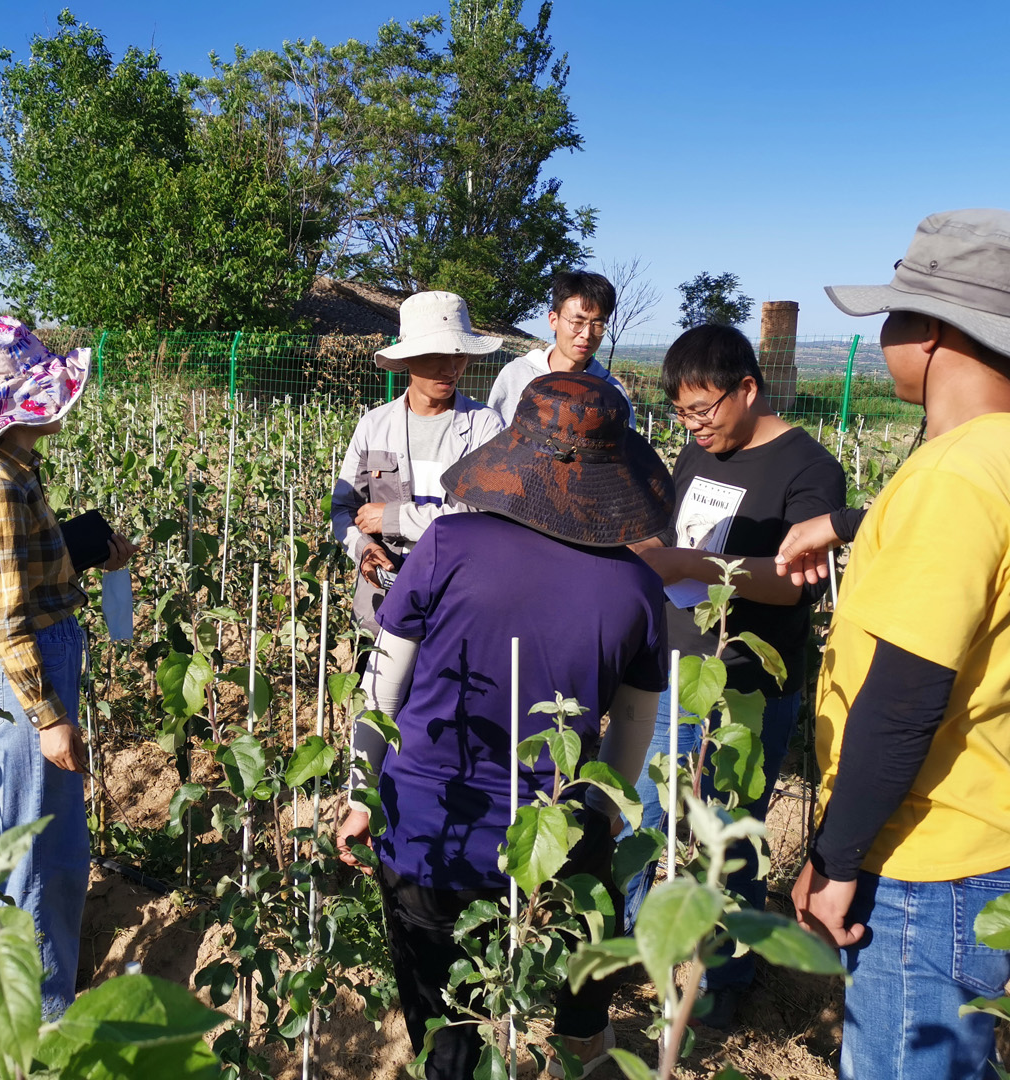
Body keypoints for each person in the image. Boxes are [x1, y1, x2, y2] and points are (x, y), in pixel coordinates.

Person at [783, 209, 1010, 1079]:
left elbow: (903, 699)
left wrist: (834, 859)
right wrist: (847, 522)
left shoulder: (957, 477)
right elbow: (981, 549)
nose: (886, 336)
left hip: (927, 863)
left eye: (893, 315)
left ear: (930, 331)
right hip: (992, 843)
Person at [334, 373, 673, 1080]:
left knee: (446, 1028)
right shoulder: (636, 586)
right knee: (579, 984)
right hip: (556, 835)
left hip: (430, 825)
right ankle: (581, 1049)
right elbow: (634, 723)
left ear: (515, 458)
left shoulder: (446, 544)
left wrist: (362, 791)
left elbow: (382, 688)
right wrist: (604, 815)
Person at [621, 323, 846, 1025]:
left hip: (748, 683)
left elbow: (792, 581)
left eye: (702, 409)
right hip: (676, 667)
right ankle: (631, 945)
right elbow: (673, 529)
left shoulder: (808, 470)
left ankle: (723, 977)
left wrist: (687, 565)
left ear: (747, 388)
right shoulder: (699, 450)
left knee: (731, 831)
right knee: (644, 811)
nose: (692, 426)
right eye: (681, 414)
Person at [0, 317, 135, 1019]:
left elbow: (19, 575)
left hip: (34, 662)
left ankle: (16, 1000)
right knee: (34, 853)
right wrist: (48, 716)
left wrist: (82, 554)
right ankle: (38, 1023)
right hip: (27, 671)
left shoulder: (13, 471)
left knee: (39, 840)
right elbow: (7, 614)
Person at [331, 291, 504, 642]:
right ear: (409, 357)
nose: (450, 369)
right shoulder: (374, 426)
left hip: (457, 596)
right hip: (383, 596)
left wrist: (393, 519)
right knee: (377, 676)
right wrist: (364, 549)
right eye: (436, 355)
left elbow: (481, 518)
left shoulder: (486, 427)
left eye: (458, 355)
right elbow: (344, 509)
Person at [485, 270, 630, 424]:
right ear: (554, 320)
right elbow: (495, 433)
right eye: (577, 322)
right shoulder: (517, 375)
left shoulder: (612, 393)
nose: (587, 334)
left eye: (598, 324)